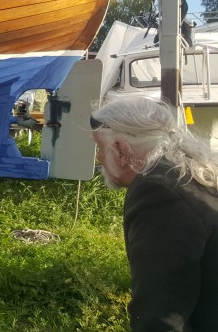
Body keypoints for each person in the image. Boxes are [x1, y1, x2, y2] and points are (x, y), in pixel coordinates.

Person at [90, 95, 218, 331]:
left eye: (99, 147)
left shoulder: (157, 191)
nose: (98, 157)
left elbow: (160, 312)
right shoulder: (189, 171)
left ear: (121, 149)